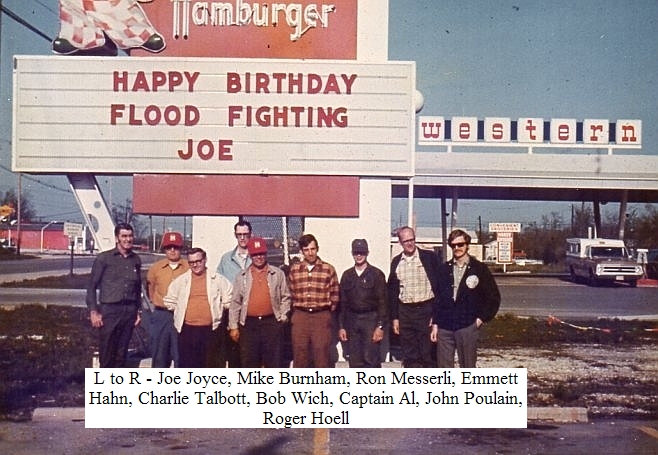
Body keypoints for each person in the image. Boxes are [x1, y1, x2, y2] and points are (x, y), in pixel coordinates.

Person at [431, 229, 501, 368]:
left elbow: (493, 297)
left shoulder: (479, 269)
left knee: (467, 366)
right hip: (445, 327)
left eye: (460, 244)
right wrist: (435, 324)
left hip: (467, 325)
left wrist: (481, 319)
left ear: (467, 245)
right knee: (444, 367)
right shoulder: (443, 269)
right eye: (453, 245)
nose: (457, 248)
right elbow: (437, 299)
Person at [164, 247, 232, 368]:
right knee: (188, 366)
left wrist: (218, 310)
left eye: (198, 261)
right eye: (191, 262)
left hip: (211, 331)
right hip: (187, 331)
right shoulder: (181, 281)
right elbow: (170, 301)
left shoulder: (218, 280)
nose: (195, 265)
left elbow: (229, 301)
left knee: (211, 367)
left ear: (205, 260)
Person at [228, 237, 291, 367]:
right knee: (249, 361)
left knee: (274, 362)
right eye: (255, 254)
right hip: (249, 324)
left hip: (272, 323)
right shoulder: (242, 276)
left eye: (261, 253)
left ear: (266, 254)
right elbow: (235, 303)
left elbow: (286, 297)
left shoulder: (277, 273)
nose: (259, 257)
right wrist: (233, 326)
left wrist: (283, 316)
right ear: (251, 255)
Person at [86, 222, 142, 368]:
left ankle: (117, 389)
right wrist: (93, 311)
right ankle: (105, 389)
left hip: (128, 311)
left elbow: (137, 288)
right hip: (110, 310)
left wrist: (137, 311)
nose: (128, 239)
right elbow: (92, 286)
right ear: (117, 238)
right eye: (124, 236)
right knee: (107, 352)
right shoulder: (104, 259)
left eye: (130, 236)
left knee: (121, 353)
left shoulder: (135, 260)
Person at [387, 226, 440, 368]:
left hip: (426, 309)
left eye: (412, 240)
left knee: (428, 354)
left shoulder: (429, 258)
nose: (410, 244)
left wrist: (436, 316)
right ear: (400, 242)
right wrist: (395, 318)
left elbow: (440, 288)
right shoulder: (396, 262)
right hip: (405, 312)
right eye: (406, 241)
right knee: (410, 356)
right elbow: (392, 292)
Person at [287, 234, 340, 368]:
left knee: (321, 354)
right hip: (300, 316)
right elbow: (290, 293)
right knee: (300, 354)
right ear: (302, 251)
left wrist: (326, 313)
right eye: (306, 250)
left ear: (317, 249)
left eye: (313, 249)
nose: (310, 253)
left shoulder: (328, 269)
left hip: (321, 316)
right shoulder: (294, 270)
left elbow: (334, 294)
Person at [338, 239, 388, 368]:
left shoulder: (377, 274)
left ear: (367, 253)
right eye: (356, 253)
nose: (359, 255)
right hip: (352, 321)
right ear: (352, 254)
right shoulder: (347, 275)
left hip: (371, 320)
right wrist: (342, 326)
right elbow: (342, 303)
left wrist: (380, 327)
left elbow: (383, 302)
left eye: (362, 252)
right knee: (355, 361)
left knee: (371, 359)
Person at [145, 232, 188, 368]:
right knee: (160, 356)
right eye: (169, 247)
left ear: (181, 248)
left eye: (176, 247)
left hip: (182, 315)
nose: (172, 250)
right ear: (164, 249)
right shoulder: (155, 268)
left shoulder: (188, 267)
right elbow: (150, 289)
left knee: (181, 354)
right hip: (161, 315)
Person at [213, 220, 253, 367]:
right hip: (232, 314)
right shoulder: (226, 259)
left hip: (251, 315)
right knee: (234, 356)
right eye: (239, 235)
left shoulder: (257, 257)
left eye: (245, 234)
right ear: (235, 235)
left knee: (251, 356)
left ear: (250, 234)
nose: (242, 238)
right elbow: (218, 284)